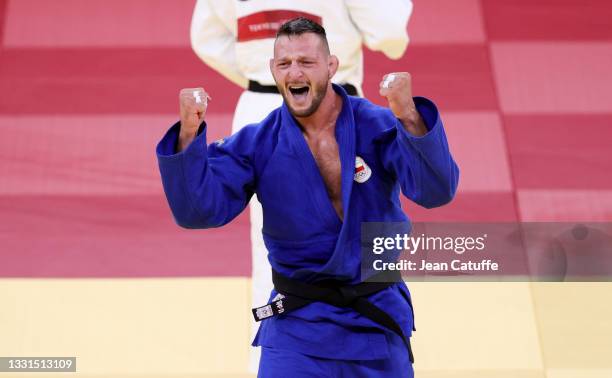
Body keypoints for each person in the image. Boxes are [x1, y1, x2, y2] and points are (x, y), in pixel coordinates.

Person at [157, 18, 458, 377]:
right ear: (272, 70)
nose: (295, 72)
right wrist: (189, 136)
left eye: (307, 62)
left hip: (374, 317)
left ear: (332, 66)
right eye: (284, 64)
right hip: (297, 326)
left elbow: (436, 191)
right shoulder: (258, 143)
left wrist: (409, 115)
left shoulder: (375, 125)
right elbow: (197, 211)